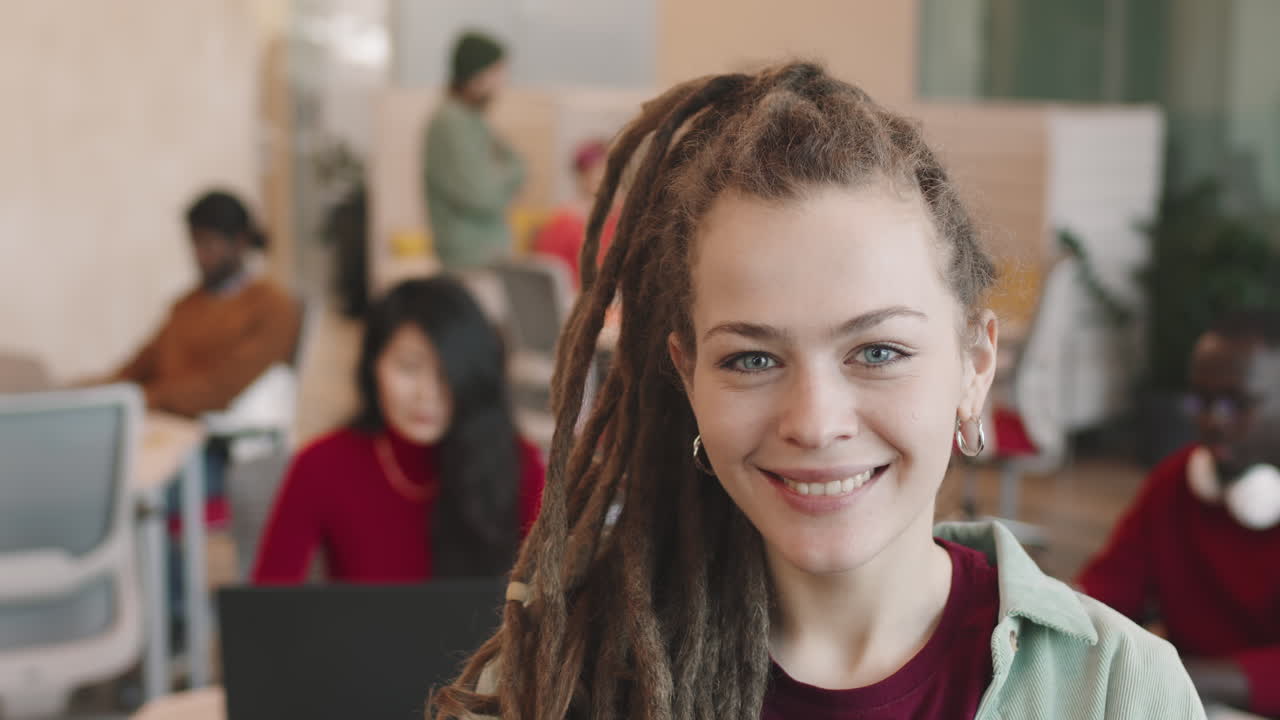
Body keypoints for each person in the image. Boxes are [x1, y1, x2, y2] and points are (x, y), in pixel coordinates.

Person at [430, 64, 1203, 719]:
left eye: (878, 350)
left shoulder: (1119, 692)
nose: (815, 422)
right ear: (687, 375)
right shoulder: (566, 680)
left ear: (975, 365)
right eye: (752, 361)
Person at [252, 277, 545, 583]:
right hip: (360, 632)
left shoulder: (518, 464)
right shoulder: (321, 465)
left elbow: (550, 605)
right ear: (373, 366)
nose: (426, 393)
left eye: (446, 374)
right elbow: (267, 607)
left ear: (472, 378)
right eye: (408, 367)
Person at [1079, 310, 1280, 717]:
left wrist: (1175, 673)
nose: (1212, 421)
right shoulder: (1176, 481)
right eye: (1201, 400)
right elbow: (1109, 587)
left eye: (1237, 403)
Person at [104, 190, 300, 418]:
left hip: (216, 437)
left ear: (239, 242)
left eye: (207, 244)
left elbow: (221, 390)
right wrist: (78, 393)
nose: (198, 255)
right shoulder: (186, 304)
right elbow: (134, 370)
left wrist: (144, 397)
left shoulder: (272, 306)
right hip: (158, 421)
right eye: (194, 243)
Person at [424, 30, 525, 270]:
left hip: (485, 257)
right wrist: (511, 175)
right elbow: (483, 195)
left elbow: (510, 171)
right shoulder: (451, 123)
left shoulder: (473, 121)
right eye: (498, 72)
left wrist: (506, 172)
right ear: (477, 75)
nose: (503, 81)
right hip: (469, 262)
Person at [531, 138, 618, 284]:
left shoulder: (620, 217)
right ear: (582, 176)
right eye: (598, 173)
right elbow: (547, 278)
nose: (605, 178)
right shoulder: (563, 222)